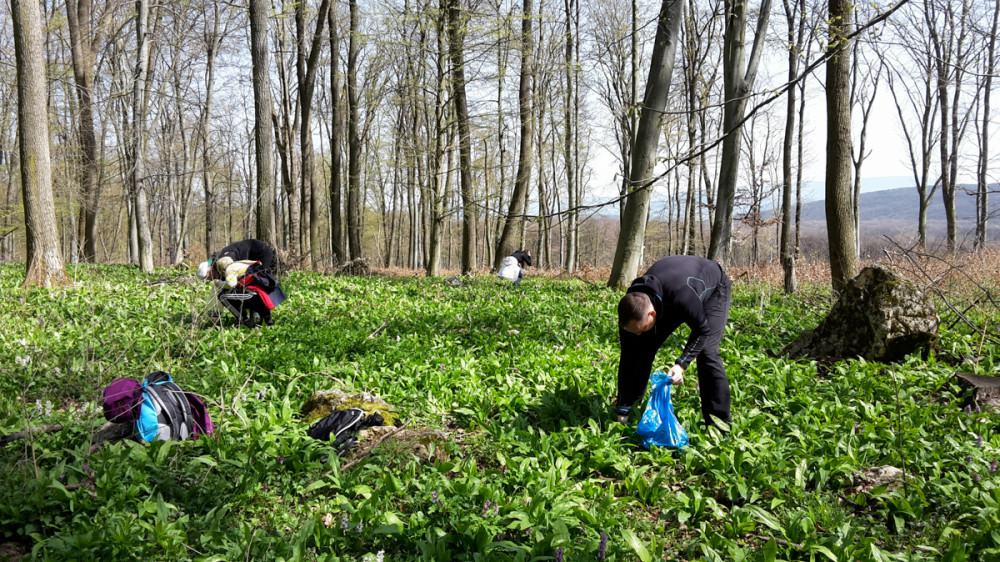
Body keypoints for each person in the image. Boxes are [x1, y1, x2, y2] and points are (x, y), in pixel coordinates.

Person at [615, 255, 732, 431]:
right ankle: (632, 408)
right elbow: (628, 358)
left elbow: (702, 331)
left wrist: (681, 364)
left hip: (713, 286)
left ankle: (719, 426)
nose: (637, 333)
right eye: (634, 330)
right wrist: (622, 407)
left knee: (707, 353)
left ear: (652, 315)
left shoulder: (683, 298)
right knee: (641, 346)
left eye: (641, 328)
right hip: (668, 293)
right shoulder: (632, 306)